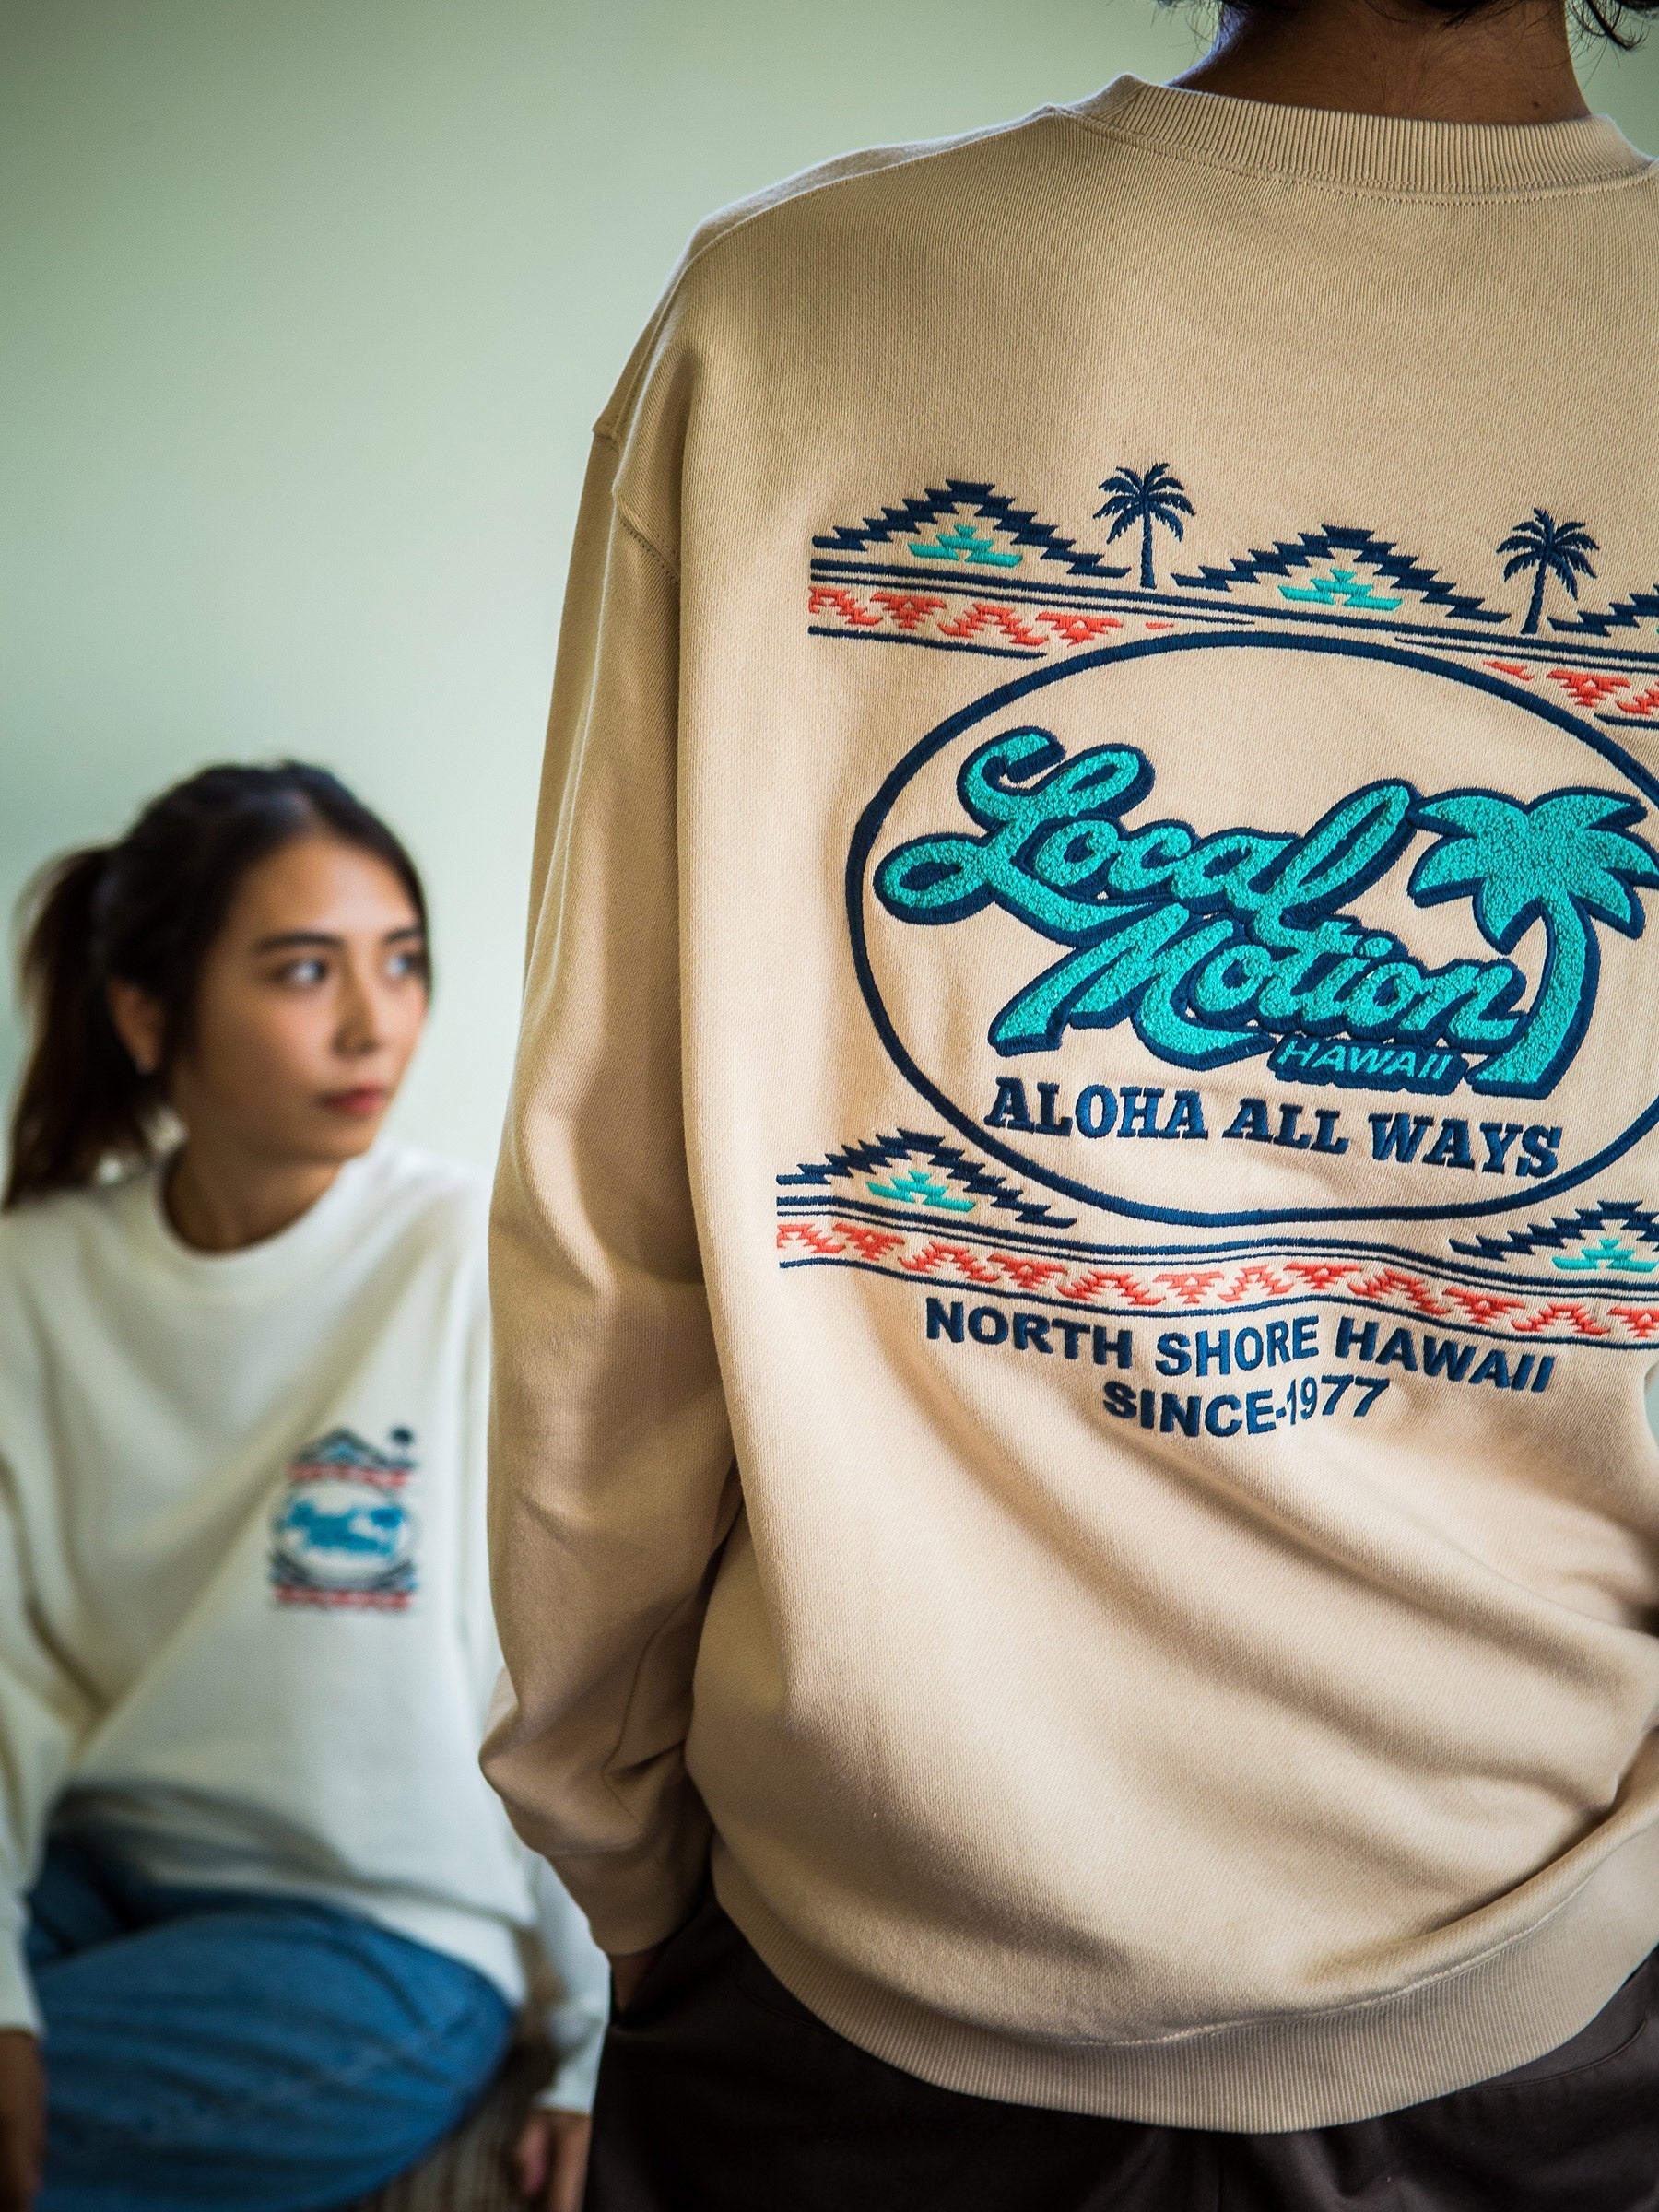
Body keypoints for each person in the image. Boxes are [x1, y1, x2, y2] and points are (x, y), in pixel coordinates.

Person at [483, 0, 1659, 2205]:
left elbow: (601, 1217)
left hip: (834, 1986)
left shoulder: (800, 311)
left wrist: (612, 1838)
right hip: (1541, 2000)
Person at [0, 764, 606, 2212]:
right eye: (303, 970)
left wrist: (600, 2053)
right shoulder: (35, 1279)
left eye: (401, 961)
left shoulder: (479, 1259)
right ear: (147, 1015)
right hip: (96, 1867)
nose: (374, 1021)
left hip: (379, 1938)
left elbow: (574, 1663)